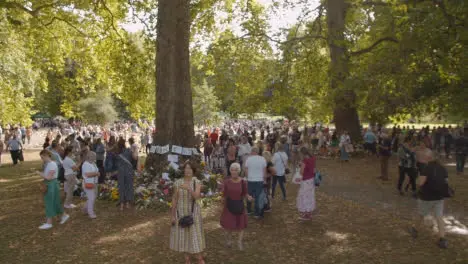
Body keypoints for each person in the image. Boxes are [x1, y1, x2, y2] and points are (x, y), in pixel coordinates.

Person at [409, 152, 450, 249]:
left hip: (427, 196)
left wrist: (418, 179)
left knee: (421, 214)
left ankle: (414, 229)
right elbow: (446, 182)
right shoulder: (443, 168)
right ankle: (442, 239)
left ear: (430, 158)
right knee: (439, 217)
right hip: (440, 197)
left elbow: (421, 183)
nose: (426, 156)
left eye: (427, 155)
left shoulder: (426, 168)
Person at [170, 162, 206, 264]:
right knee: (183, 236)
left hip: (194, 213)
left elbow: (197, 197)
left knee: (195, 235)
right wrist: (172, 216)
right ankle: (187, 259)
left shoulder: (197, 182)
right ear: (183, 170)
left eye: (190, 168)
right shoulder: (177, 183)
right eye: (186, 168)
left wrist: (189, 189)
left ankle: (199, 258)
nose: (188, 170)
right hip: (180, 213)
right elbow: (174, 199)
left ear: (193, 171)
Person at [220, 163, 252, 250]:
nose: (234, 172)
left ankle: (239, 242)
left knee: (241, 225)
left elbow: (245, 193)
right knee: (229, 225)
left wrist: (248, 197)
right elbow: (224, 194)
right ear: (230, 171)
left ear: (239, 171)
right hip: (229, 205)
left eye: (236, 170)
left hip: (239, 205)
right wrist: (222, 198)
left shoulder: (243, 182)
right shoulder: (227, 182)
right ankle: (229, 240)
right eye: (232, 170)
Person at [36, 150, 70, 230]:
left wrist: (38, 173)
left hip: (51, 184)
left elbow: (48, 177)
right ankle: (64, 215)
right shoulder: (50, 164)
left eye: (42, 157)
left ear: (46, 155)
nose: (42, 159)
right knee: (55, 202)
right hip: (52, 184)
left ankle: (49, 223)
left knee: (49, 202)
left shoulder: (51, 164)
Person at [244, 147, 267, 218]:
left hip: (250, 180)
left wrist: (247, 178)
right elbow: (264, 171)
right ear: (258, 152)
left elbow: (246, 170)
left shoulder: (248, 159)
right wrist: (264, 179)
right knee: (258, 197)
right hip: (259, 180)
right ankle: (257, 213)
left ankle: (248, 210)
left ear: (252, 152)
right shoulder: (262, 159)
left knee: (249, 195)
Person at [295, 147, 316, 220]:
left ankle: (306, 214)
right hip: (311, 179)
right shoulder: (313, 158)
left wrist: (300, 166)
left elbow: (301, 172)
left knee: (304, 196)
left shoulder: (305, 161)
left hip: (306, 180)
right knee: (310, 196)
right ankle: (309, 213)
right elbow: (313, 169)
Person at [114, 138, 136, 210]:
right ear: (124, 144)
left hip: (120, 171)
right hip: (128, 170)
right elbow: (134, 158)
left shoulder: (117, 152)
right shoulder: (129, 150)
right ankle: (127, 203)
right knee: (128, 186)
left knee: (121, 187)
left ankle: (121, 205)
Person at [82, 151, 99, 219]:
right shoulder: (85, 164)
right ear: (89, 156)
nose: (95, 157)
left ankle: (85, 209)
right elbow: (87, 174)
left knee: (93, 197)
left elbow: (95, 171)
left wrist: (96, 173)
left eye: (95, 156)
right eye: (93, 156)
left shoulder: (93, 163)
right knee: (91, 198)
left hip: (94, 183)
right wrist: (96, 174)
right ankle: (90, 213)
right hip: (88, 183)